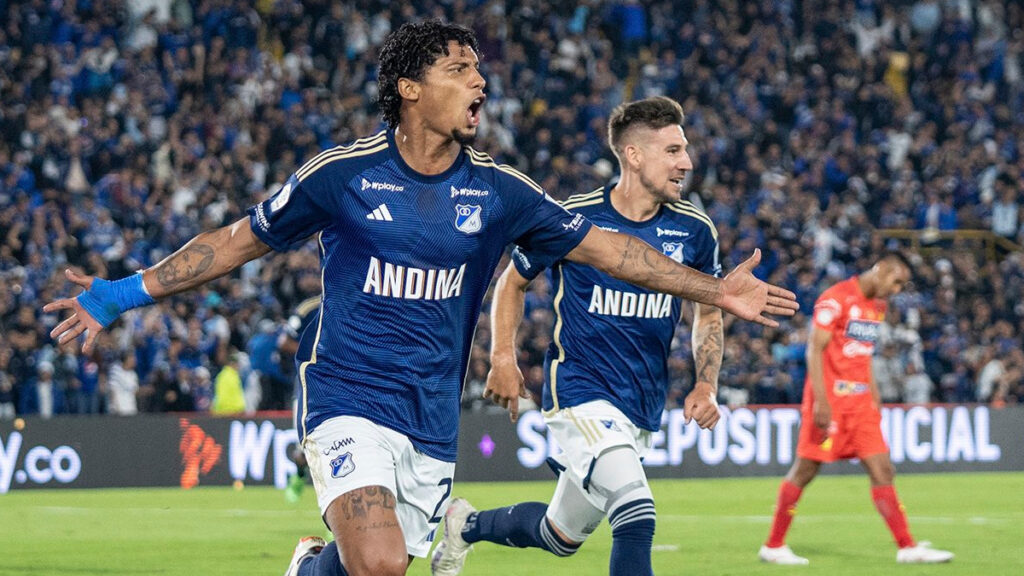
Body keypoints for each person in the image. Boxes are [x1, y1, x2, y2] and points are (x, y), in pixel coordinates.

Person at [44, 21, 797, 576]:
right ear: (409, 88)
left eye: (479, 71)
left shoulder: (502, 192)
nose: (479, 83)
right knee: (381, 565)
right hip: (347, 394)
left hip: (430, 418)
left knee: (385, 564)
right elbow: (238, 241)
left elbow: (614, 252)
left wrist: (715, 292)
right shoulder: (340, 176)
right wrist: (119, 294)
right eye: (460, 70)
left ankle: (311, 565)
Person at [431, 96, 724, 576]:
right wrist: (502, 356)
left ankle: (465, 525)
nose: (686, 162)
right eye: (672, 150)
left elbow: (708, 311)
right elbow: (512, 280)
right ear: (633, 155)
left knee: (559, 535)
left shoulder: (695, 229)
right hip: (579, 393)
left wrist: (705, 381)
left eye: (684, 150)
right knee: (637, 511)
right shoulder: (576, 217)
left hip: (641, 406)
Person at [758, 252, 954, 565]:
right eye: (896, 281)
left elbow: (863, 357)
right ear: (881, 269)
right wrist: (821, 401)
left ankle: (907, 547)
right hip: (830, 403)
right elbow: (814, 351)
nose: (897, 289)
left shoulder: (877, 306)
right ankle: (773, 544)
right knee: (806, 470)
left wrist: (874, 397)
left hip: (860, 404)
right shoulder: (835, 299)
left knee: (883, 469)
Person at [279, 294, 322, 503]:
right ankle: (298, 473)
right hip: (309, 385)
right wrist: (316, 354)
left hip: (342, 386)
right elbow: (285, 342)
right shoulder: (308, 308)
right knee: (304, 450)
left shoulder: (353, 300)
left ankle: (341, 518)